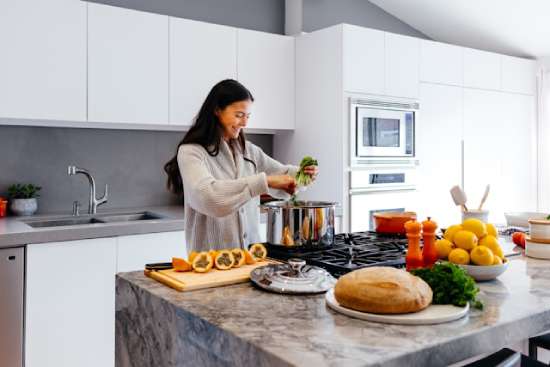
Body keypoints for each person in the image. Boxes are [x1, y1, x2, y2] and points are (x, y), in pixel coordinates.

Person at [164, 79, 318, 252]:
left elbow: (282, 175)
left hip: (251, 259)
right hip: (210, 263)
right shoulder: (191, 152)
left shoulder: (249, 151)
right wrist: (264, 182)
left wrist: (303, 174)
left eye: (247, 116)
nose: (245, 123)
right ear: (216, 110)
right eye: (239, 115)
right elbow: (208, 197)